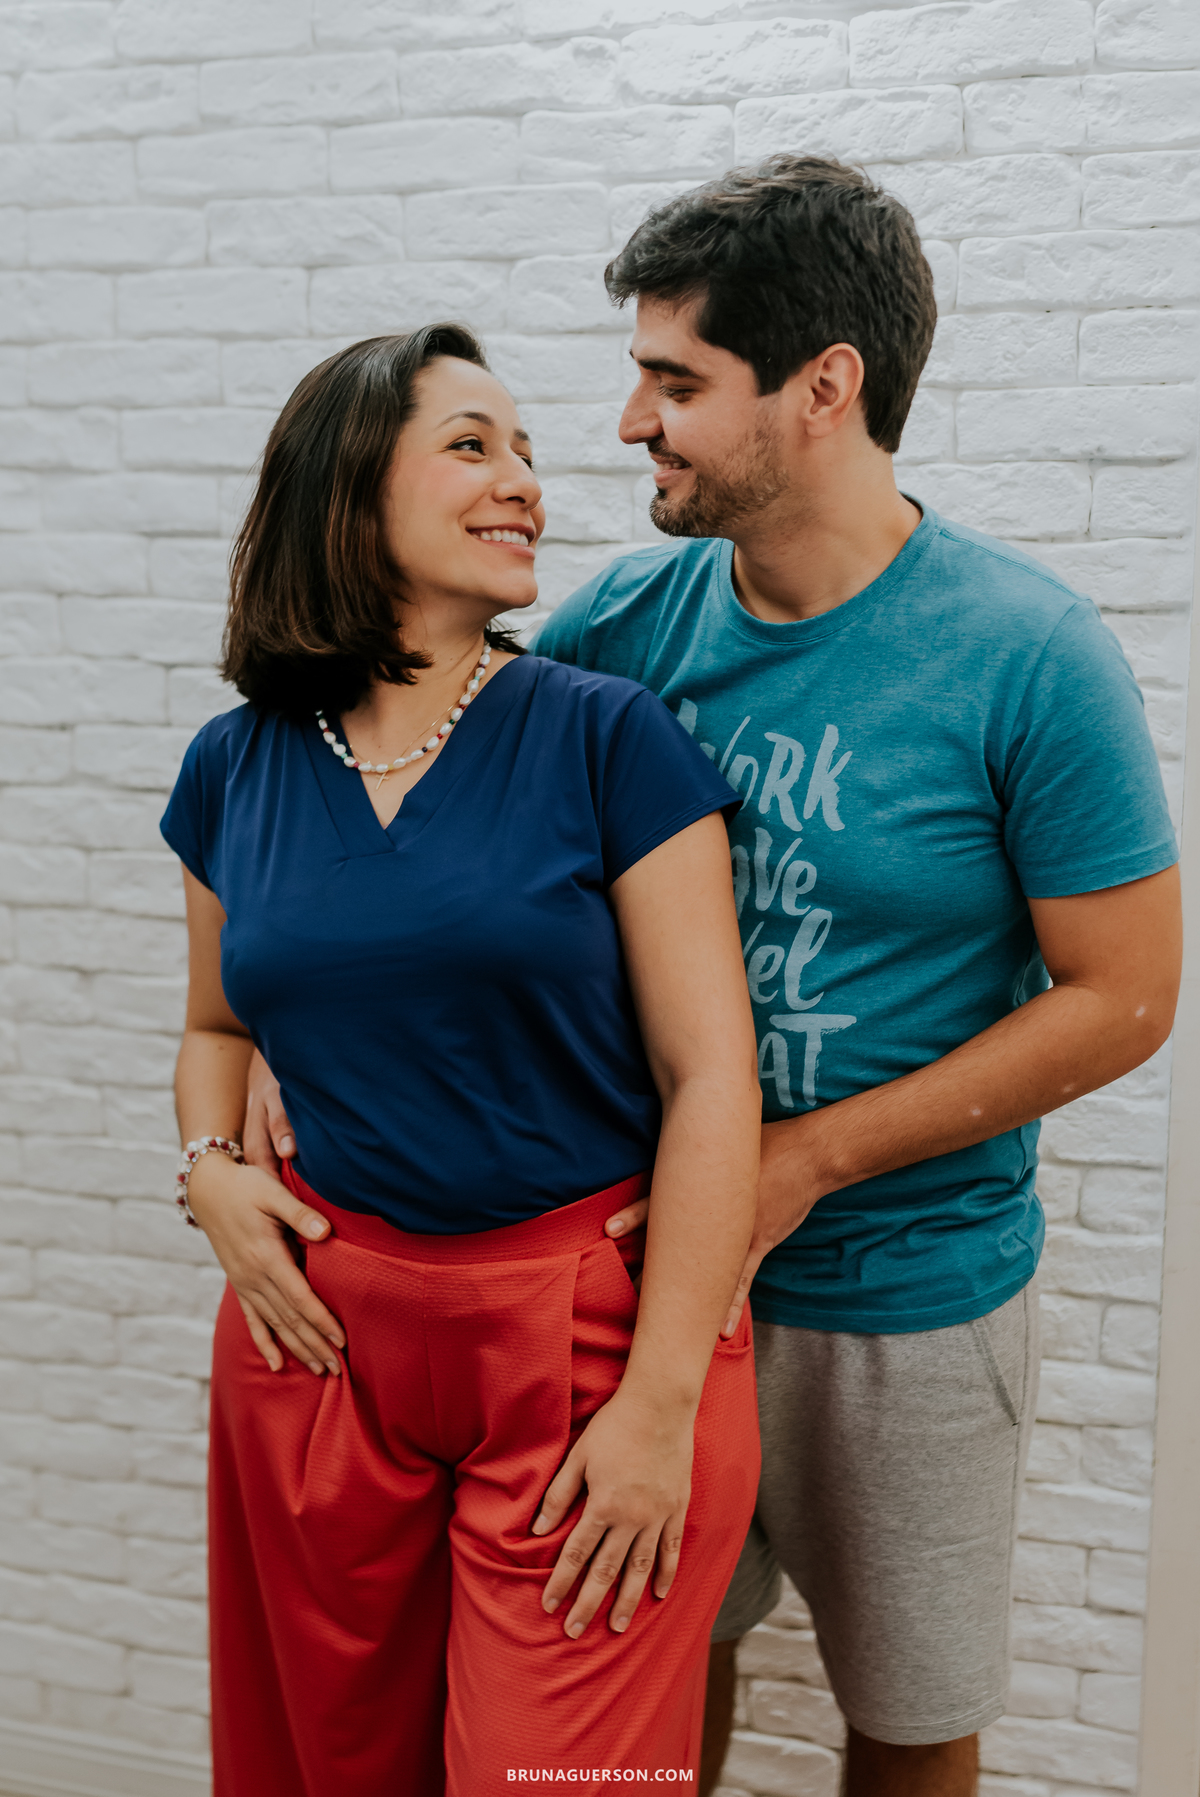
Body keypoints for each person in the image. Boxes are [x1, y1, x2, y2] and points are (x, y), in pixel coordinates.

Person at [536, 157, 1182, 1796]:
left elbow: (1125, 993)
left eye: (676, 380)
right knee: (643, 1666)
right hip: (647, 1278)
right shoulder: (620, 624)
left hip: (911, 1295)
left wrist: (803, 1158)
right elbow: (435, 830)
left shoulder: (1028, 652)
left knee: (906, 1718)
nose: (631, 423)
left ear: (826, 387)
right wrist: (248, 1034)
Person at [162, 324, 763, 1796]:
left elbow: (713, 1081)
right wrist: (212, 1173)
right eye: (474, 445)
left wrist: (662, 1407)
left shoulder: (608, 739)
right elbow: (218, 1027)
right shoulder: (233, 765)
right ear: (350, 491)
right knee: (326, 1770)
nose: (528, 486)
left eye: (529, 455)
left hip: (586, 1352)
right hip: (320, 1345)